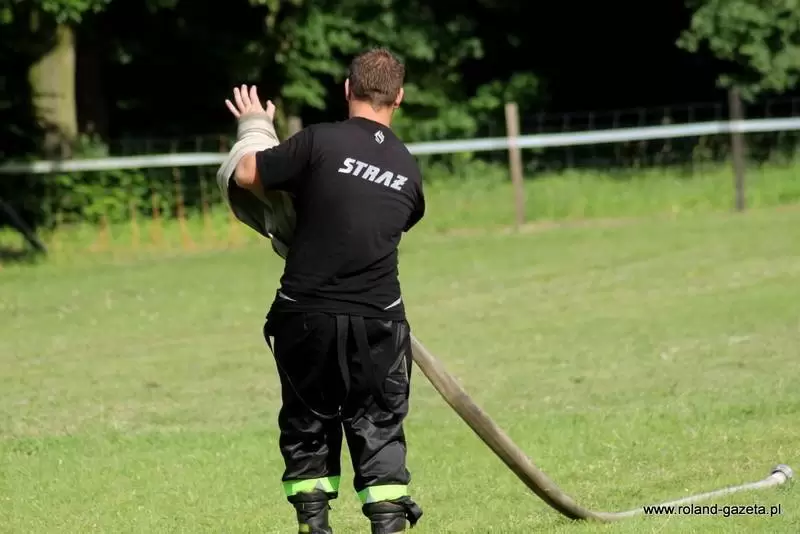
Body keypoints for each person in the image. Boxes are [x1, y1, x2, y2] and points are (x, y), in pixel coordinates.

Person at [223, 48, 425, 534]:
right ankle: (389, 525)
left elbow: (247, 174)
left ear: (347, 88)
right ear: (398, 97)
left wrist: (254, 124)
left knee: (308, 423)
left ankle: (313, 526)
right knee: (379, 427)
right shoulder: (408, 167)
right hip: (379, 318)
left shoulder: (319, 141)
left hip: (305, 315)